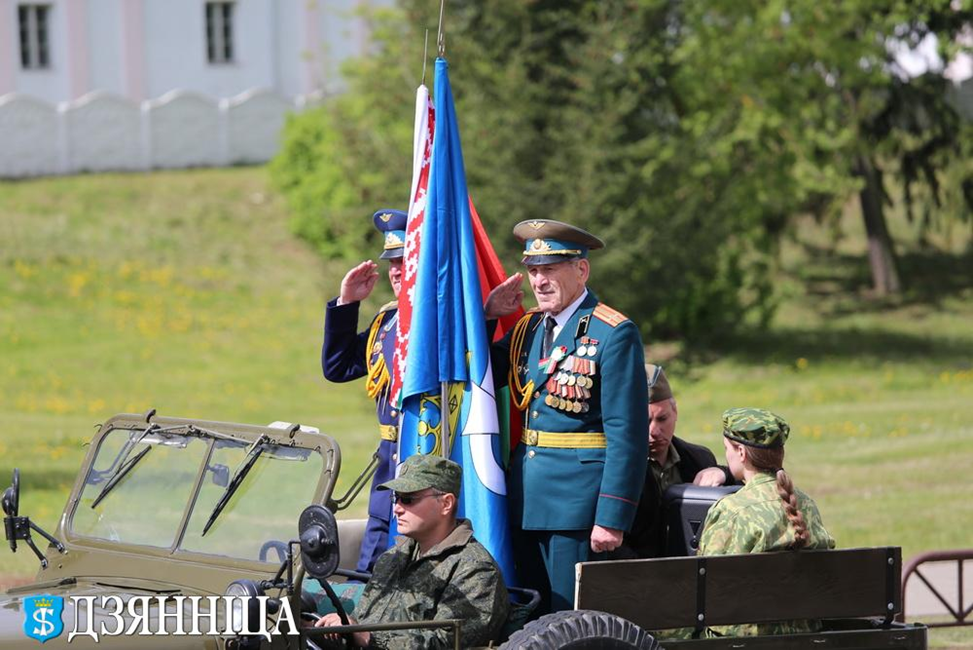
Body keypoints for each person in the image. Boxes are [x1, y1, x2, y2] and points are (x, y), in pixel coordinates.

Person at [485, 219, 648, 613]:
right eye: (533, 270)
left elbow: (627, 434)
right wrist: (487, 317)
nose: (539, 281)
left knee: (570, 621)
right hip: (525, 499)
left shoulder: (613, 332)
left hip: (578, 507)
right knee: (527, 616)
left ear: (581, 270)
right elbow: (481, 373)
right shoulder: (527, 329)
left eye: (550, 269)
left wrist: (612, 516)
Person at [313, 454, 510, 649]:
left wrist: (366, 636)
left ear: (446, 504)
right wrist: (326, 628)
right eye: (396, 498)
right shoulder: (394, 556)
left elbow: (446, 642)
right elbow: (362, 621)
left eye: (408, 499)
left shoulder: (475, 570)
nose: (397, 509)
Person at [697, 407, 835, 637]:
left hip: (744, 640)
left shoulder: (732, 510)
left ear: (741, 452)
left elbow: (706, 587)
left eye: (727, 449)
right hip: (806, 635)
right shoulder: (806, 504)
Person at [321, 209, 406, 573]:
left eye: (406, 261)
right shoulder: (387, 321)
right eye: (392, 263)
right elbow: (338, 367)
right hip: (387, 472)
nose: (397, 271)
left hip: (430, 474)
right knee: (368, 576)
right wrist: (347, 302)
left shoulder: (447, 323)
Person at [612, 364, 735, 559]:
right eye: (644, 421)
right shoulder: (615, 466)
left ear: (675, 412)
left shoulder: (698, 458)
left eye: (662, 418)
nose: (654, 431)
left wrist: (723, 473)